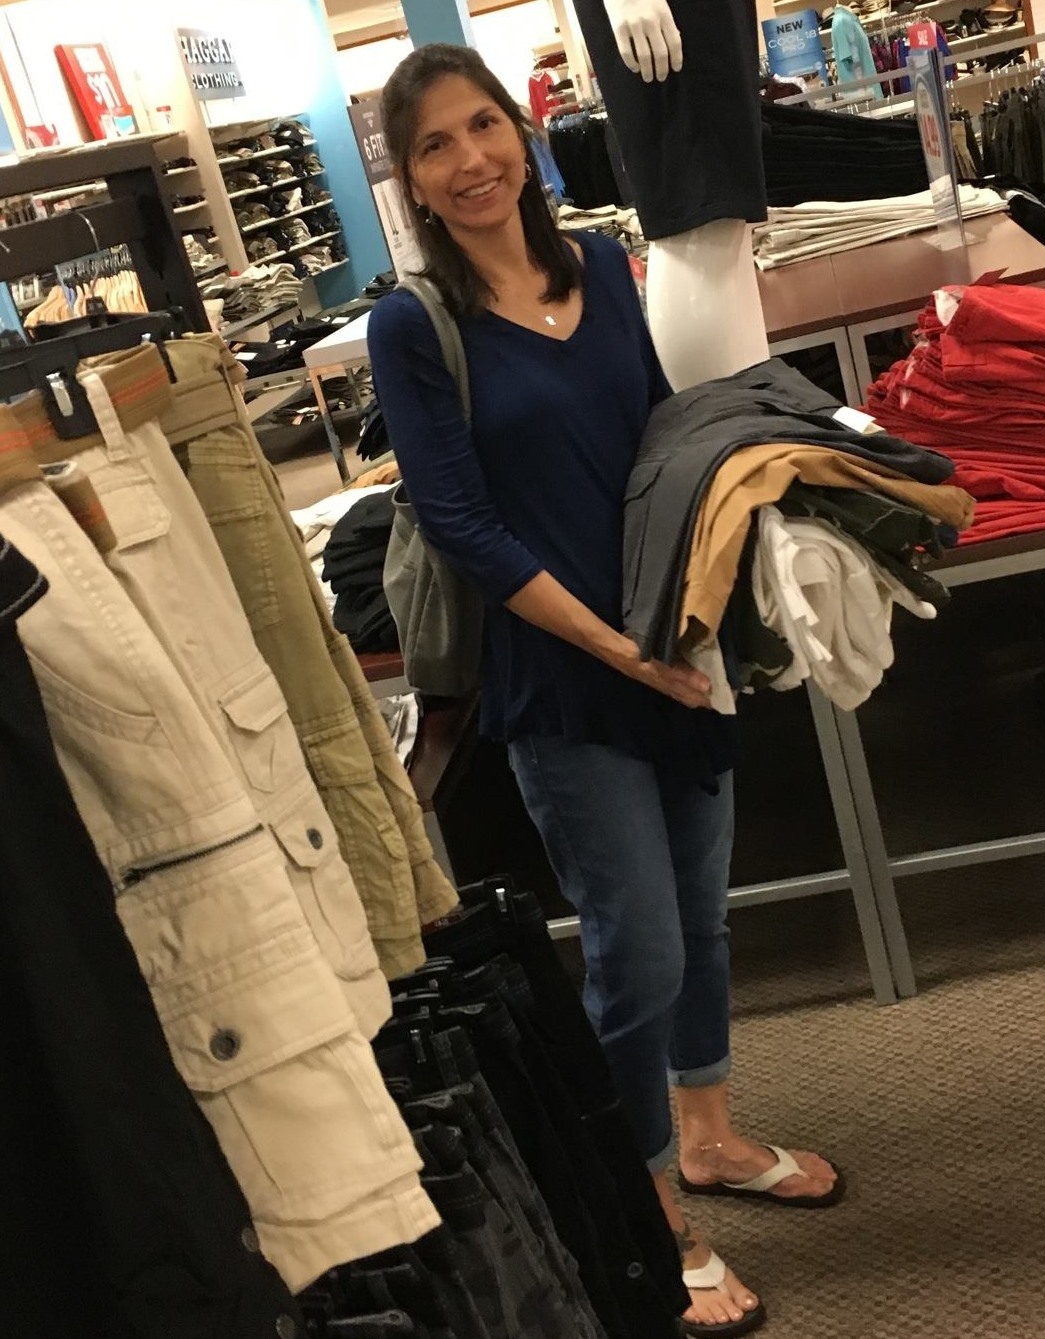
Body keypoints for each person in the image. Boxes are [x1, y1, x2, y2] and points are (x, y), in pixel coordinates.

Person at [368, 43, 840, 1336]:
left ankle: (711, 1136)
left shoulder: (603, 268)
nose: (470, 161)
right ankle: (646, 1206)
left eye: (484, 126)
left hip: (672, 646)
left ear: (521, 135)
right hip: (566, 676)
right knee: (638, 950)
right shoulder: (415, 326)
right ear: (408, 179)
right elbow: (464, 527)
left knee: (702, 921)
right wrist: (622, 652)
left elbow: (661, 441)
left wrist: (727, 568)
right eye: (434, 146)